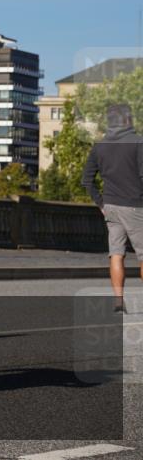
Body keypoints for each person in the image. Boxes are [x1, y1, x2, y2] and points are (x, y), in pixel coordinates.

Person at [82, 103, 143, 313]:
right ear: (127, 120)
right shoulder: (138, 142)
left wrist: (100, 204)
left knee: (116, 254)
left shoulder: (100, 145)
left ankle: (118, 301)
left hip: (111, 207)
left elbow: (87, 180)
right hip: (136, 206)